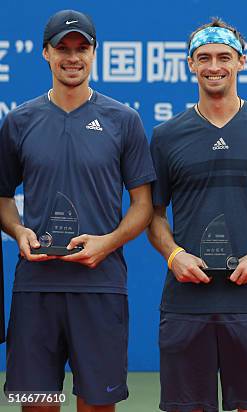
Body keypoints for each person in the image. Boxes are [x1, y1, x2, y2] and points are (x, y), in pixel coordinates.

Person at [147, 18, 247, 412]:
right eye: (204, 58)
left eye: (223, 57)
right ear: (190, 64)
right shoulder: (166, 135)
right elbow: (151, 214)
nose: (213, 65)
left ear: (241, 62)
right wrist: (173, 255)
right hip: (186, 303)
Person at [0, 9, 155, 412]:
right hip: (36, 285)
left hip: (100, 285)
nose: (72, 57)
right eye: (62, 48)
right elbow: (2, 198)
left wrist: (108, 243)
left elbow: (143, 205)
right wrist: (18, 231)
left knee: (97, 405)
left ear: (94, 53)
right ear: (45, 54)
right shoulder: (19, 121)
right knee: (36, 404)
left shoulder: (124, 120)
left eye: (81, 48)